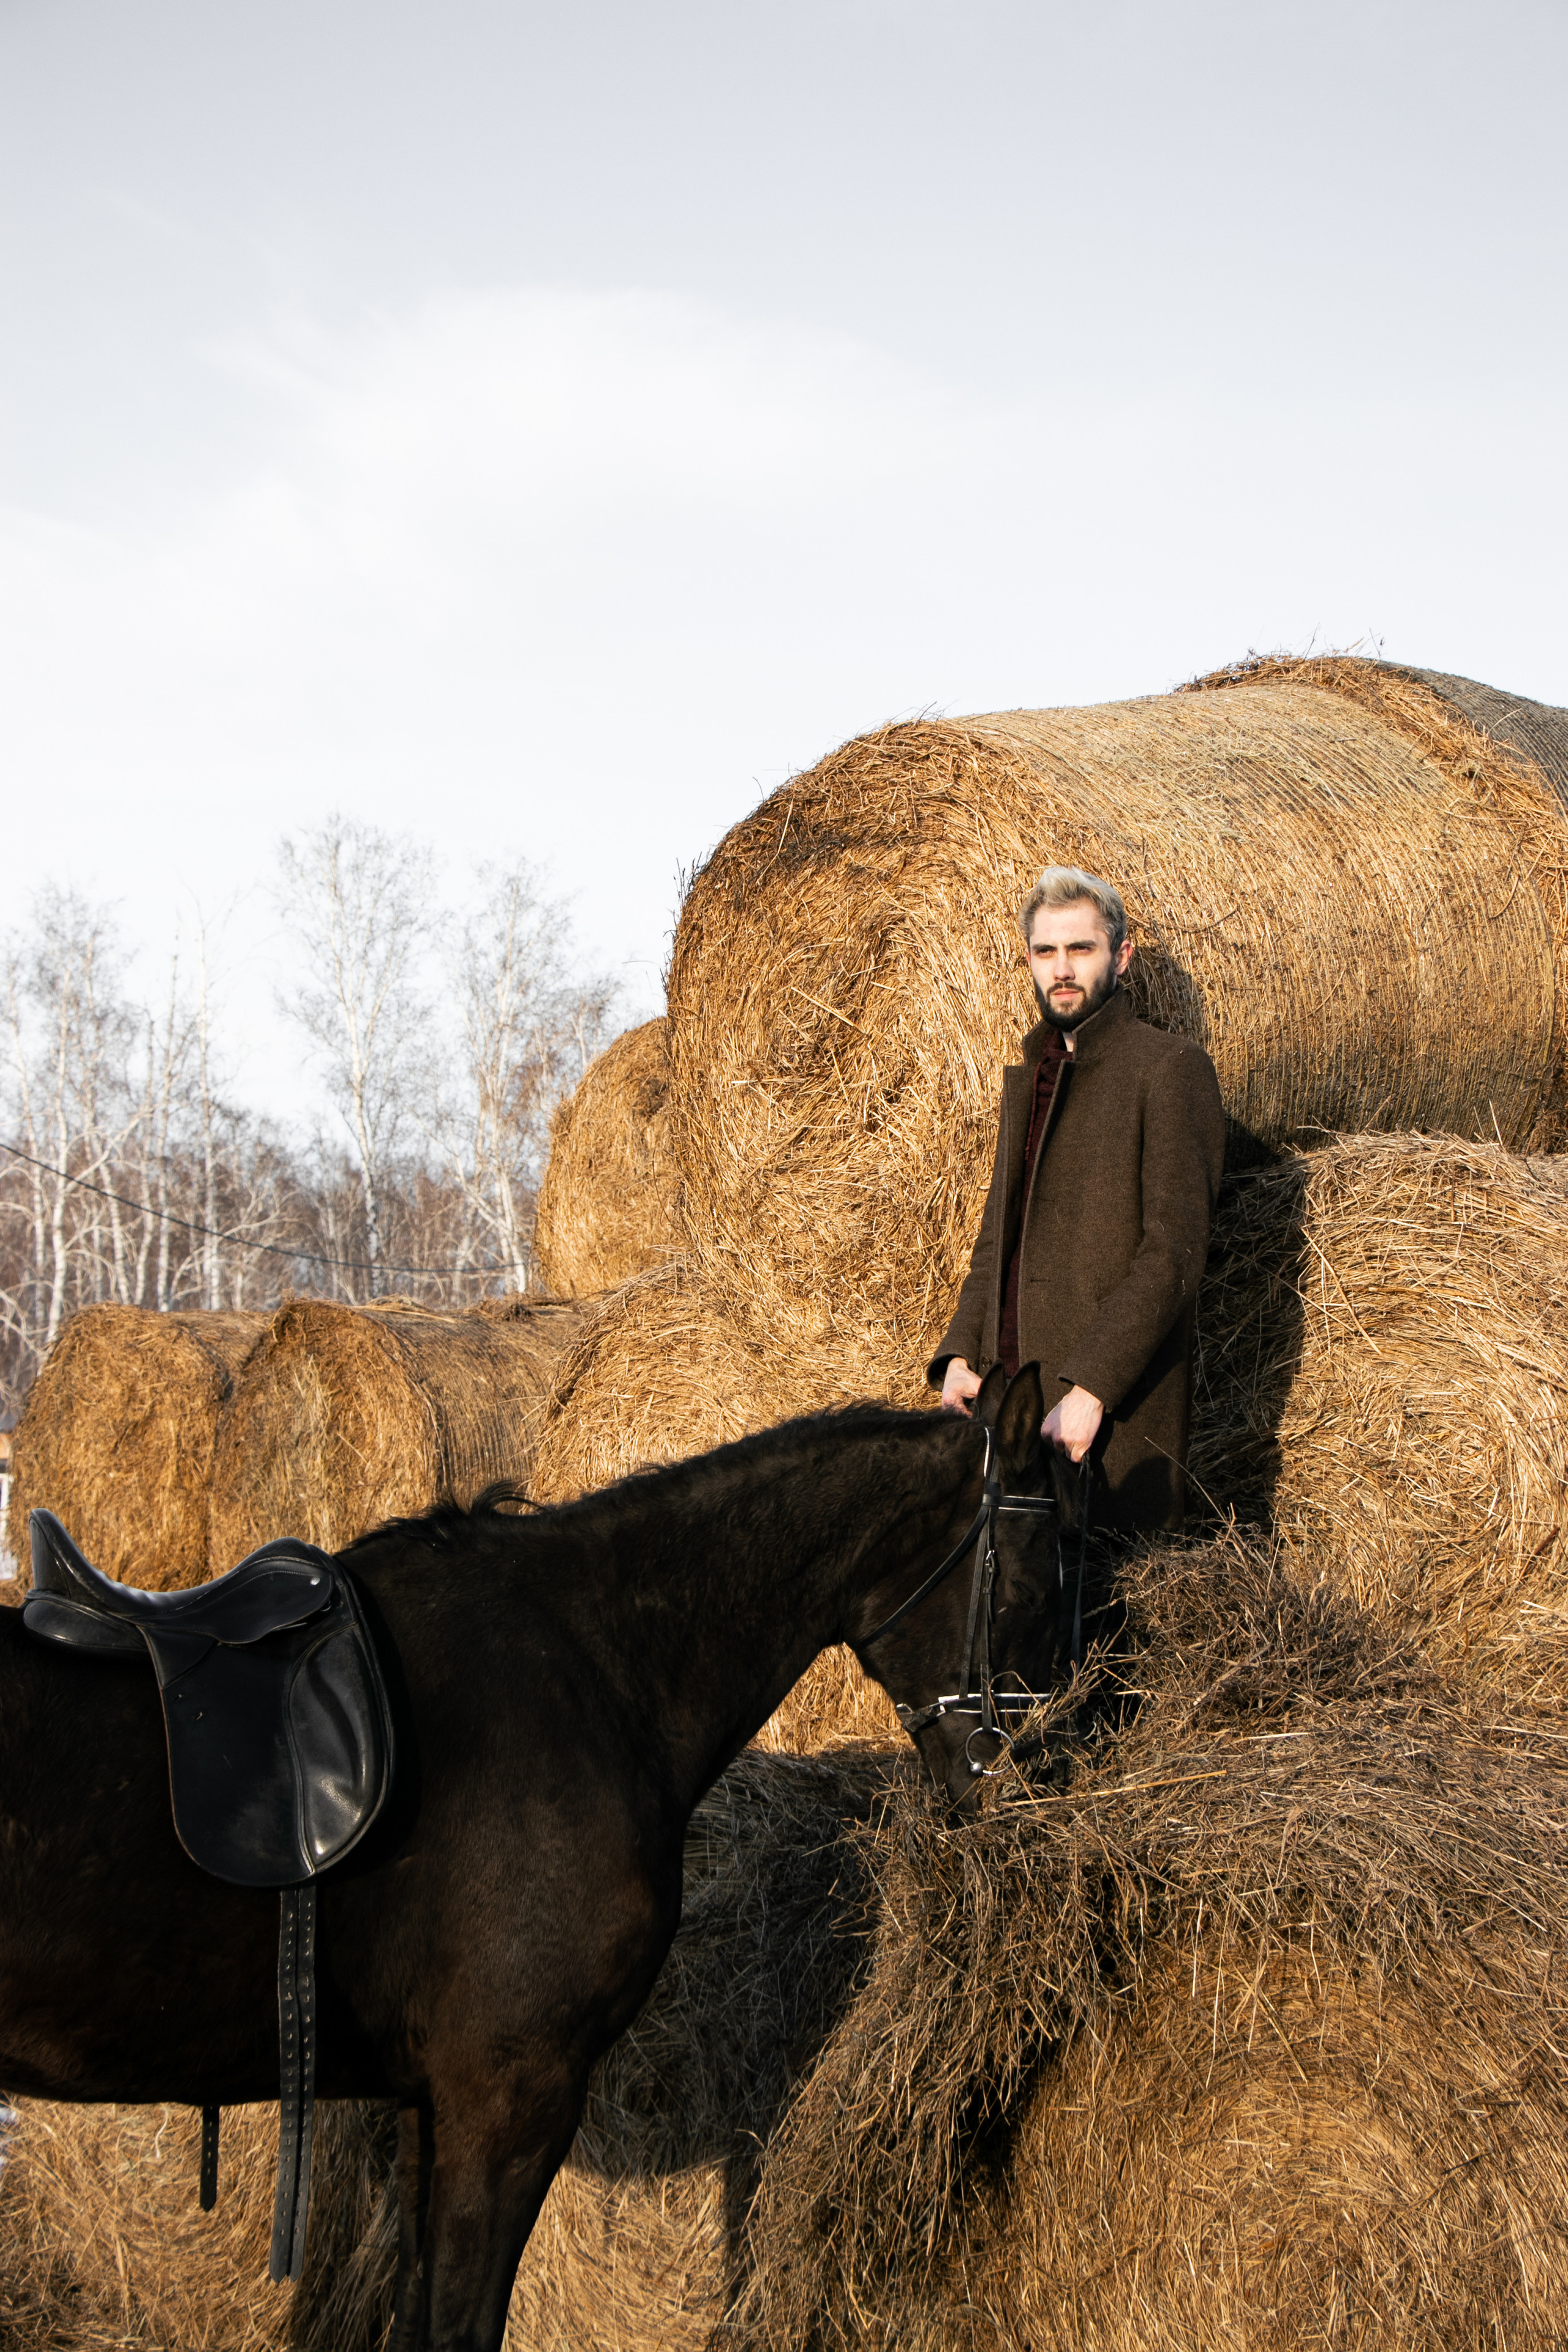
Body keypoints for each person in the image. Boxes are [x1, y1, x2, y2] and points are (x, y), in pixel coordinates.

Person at [929, 866, 1226, 1531]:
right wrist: (956, 1356)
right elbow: (993, 1246)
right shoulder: (1028, 1080)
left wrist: (1091, 1390)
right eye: (1046, 952)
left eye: (1080, 949)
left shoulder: (1168, 1068)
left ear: (1118, 957)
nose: (1062, 969)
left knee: (1106, 1615)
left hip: (1106, 1416)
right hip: (1008, 1410)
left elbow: (1173, 1254)